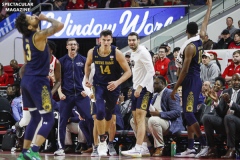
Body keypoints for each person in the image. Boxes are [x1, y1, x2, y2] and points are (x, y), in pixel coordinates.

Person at [15, 12, 64, 160]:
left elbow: (26, 62)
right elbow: (59, 25)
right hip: (38, 82)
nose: (34, 17)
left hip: (27, 81)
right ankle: (34, 150)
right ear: (30, 26)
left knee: (35, 117)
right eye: (31, 18)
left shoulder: (25, 38)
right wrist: (45, 18)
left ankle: (24, 153)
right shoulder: (38, 36)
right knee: (49, 118)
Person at [171, 0, 212, 158]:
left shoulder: (190, 47)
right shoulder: (200, 39)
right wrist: (208, 7)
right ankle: (190, 147)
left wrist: (175, 88)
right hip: (194, 79)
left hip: (191, 80)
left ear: (186, 31)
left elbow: (185, 70)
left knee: (188, 113)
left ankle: (204, 144)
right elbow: (205, 22)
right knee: (188, 113)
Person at [85, 29, 131, 156]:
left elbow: (128, 72)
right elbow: (88, 65)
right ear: (100, 40)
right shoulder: (92, 52)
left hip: (113, 86)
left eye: (108, 40)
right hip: (98, 85)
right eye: (103, 40)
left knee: (109, 115)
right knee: (99, 112)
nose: (105, 42)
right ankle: (101, 141)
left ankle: (107, 141)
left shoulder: (117, 53)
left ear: (111, 40)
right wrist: (87, 79)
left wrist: (117, 82)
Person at [54, 38, 94, 156]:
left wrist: (87, 91)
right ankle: (61, 147)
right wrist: (60, 93)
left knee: (90, 119)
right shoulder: (60, 61)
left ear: (77, 47)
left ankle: (93, 145)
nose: (72, 46)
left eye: (74, 44)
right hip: (67, 96)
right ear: (66, 47)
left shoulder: (83, 60)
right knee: (62, 121)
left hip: (81, 95)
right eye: (70, 44)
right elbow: (58, 80)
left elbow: (89, 78)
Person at [129, 75, 184, 157]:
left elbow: (177, 112)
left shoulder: (171, 93)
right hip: (155, 121)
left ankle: (160, 147)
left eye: (155, 84)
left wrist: (159, 114)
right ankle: (147, 146)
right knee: (134, 120)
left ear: (162, 83)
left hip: (168, 123)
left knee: (153, 120)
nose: (153, 86)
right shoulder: (154, 96)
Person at [121, 32, 155, 158]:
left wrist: (141, 87)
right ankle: (145, 146)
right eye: (129, 40)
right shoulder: (133, 54)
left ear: (138, 40)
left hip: (145, 89)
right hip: (136, 89)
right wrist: (136, 87)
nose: (131, 42)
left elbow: (151, 71)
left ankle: (138, 147)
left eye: (133, 40)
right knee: (135, 120)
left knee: (140, 118)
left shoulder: (143, 52)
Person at [220, 73, 240, 159]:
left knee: (229, 118)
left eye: (239, 80)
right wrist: (216, 102)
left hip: (238, 120)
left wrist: (230, 102)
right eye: (235, 80)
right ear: (231, 81)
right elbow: (220, 111)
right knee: (207, 118)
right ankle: (210, 147)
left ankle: (232, 148)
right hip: (225, 119)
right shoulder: (225, 92)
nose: (237, 82)